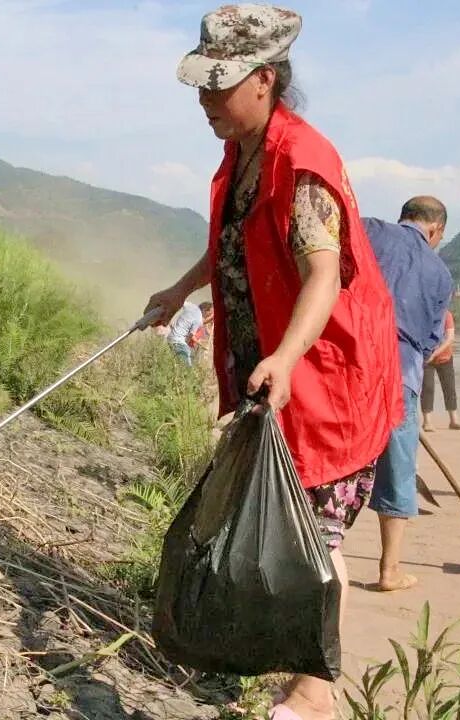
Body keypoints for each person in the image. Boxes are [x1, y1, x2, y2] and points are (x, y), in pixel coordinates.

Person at [145, 6, 401, 719]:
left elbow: (323, 276)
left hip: (328, 375)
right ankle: (286, 664)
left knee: (311, 527)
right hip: (277, 370)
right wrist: (180, 289)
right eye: (201, 84)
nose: (204, 99)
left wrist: (286, 356)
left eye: (218, 85)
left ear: (264, 79)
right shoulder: (242, 153)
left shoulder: (302, 163)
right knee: (288, 519)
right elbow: (232, 241)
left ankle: (314, 693)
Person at [363, 198, 453, 593]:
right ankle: (390, 571)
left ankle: (317, 553)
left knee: (333, 460)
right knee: (398, 468)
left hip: (348, 363)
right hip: (400, 375)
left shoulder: (369, 229)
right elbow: (431, 343)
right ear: (436, 230)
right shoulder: (441, 273)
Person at [422, 309, 460, 431]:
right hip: (427, 357)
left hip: (444, 357)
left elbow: (450, 338)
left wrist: (435, 353)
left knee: (449, 388)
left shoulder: (446, 315)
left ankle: (454, 421)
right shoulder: (424, 314)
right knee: (427, 388)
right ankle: (427, 422)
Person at [166, 301, 213, 365]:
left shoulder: (191, 306)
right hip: (179, 342)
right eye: (210, 313)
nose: (209, 315)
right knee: (187, 367)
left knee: (175, 363)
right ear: (205, 310)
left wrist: (169, 318)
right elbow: (190, 335)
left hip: (170, 338)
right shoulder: (198, 319)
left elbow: (179, 301)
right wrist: (186, 345)